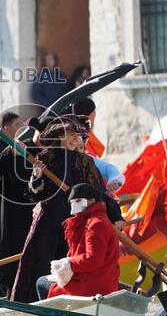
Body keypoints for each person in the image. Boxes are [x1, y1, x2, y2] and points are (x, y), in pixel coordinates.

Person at [11, 116, 122, 303]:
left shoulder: (86, 162)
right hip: (48, 221)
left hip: (76, 223)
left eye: (77, 135)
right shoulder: (45, 157)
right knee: (39, 263)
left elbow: (100, 194)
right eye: (71, 134)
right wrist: (37, 176)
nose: (75, 139)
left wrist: (117, 216)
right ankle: (31, 304)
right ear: (59, 136)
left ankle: (71, 301)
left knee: (72, 264)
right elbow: (33, 195)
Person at [42, 184, 122, 300]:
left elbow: (93, 259)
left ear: (92, 200)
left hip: (94, 283)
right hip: (96, 278)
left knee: (41, 283)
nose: (75, 205)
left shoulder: (95, 224)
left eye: (79, 200)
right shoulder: (88, 221)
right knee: (47, 280)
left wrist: (68, 263)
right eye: (73, 202)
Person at [0, 128, 35, 298]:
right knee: (7, 270)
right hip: (10, 221)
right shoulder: (14, 153)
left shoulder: (52, 157)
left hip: (35, 222)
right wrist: (9, 151)